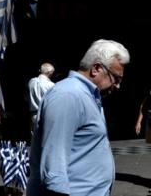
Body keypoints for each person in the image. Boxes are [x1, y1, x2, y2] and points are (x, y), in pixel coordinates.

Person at [27, 39, 130, 196]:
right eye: (116, 78)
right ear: (96, 69)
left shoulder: (88, 96)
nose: (118, 86)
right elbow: (53, 167)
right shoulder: (68, 95)